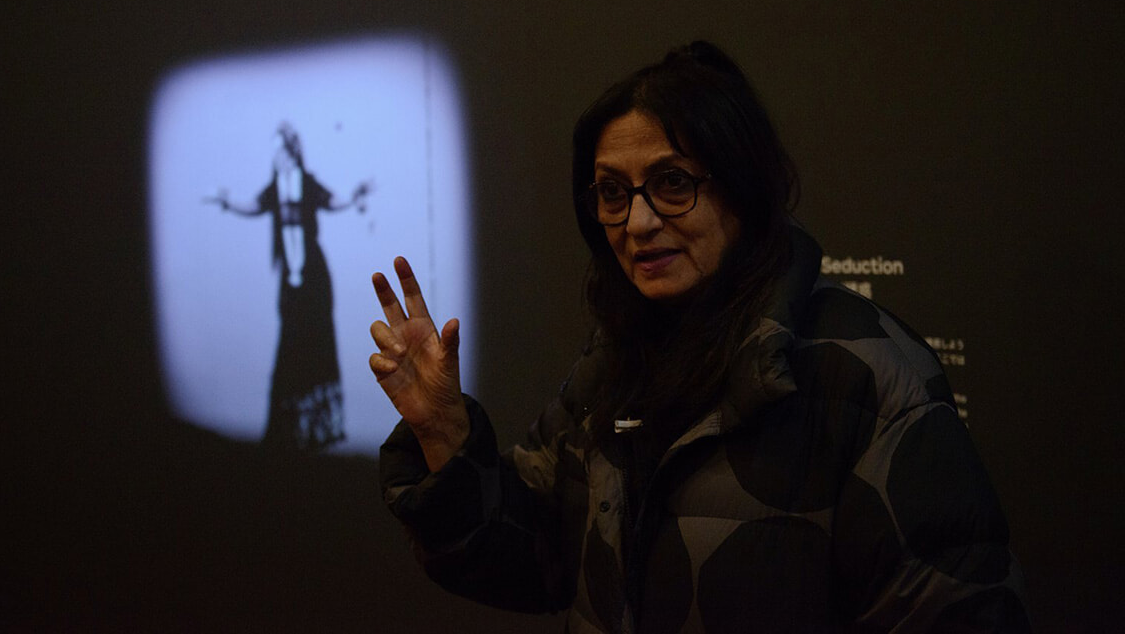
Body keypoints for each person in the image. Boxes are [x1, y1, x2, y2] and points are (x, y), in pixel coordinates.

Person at [369, 43, 1029, 632]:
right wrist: (445, 434)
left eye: (672, 183)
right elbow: (535, 554)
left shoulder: (867, 374)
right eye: (612, 192)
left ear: (743, 185)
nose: (638, 222)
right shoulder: (615, 361)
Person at [210, 122, 369, 453]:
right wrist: (228, 202)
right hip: (290, 278)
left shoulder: (307, 184)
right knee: (291, 342)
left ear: (292, 153)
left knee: (317, 338)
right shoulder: (275, 188)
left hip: (314, 275)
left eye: (281, 152)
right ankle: (288, 427)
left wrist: (354, 197)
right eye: (275, 153)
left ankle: (318, 426)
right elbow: (254, 206)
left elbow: (332, 200)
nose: (277, 158)